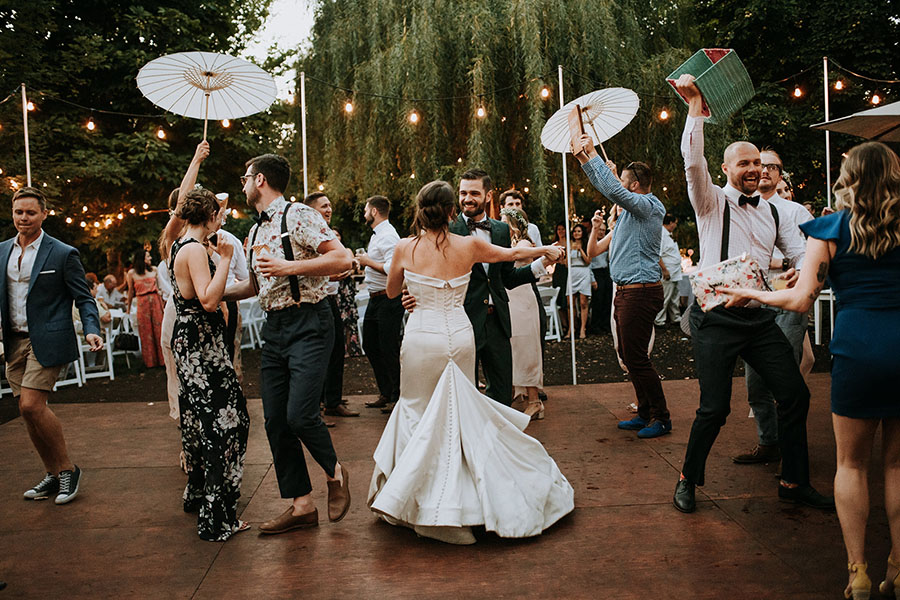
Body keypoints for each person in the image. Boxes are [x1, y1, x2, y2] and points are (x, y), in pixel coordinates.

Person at [718, 141, 900, 600]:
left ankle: (857, 570)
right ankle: (898, 566)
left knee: (851, 463)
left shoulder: (830, 228)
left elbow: (800, 299)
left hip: (857, 349)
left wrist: (755, 295)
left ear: (850, 179)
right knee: (897, 465)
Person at [367, 180, 573, 545]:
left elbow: (392, 291)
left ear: (418, 210)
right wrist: (546, 249)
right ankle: (461, 500)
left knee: (418, 411)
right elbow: (511, 257)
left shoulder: (402, 248)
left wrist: (412, 295)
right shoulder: (470, 245)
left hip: (421, 340)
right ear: (450, 212)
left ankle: (419, 499)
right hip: (460, 336)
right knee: (455, 417)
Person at [670, 74, 833, 513]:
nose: (753, 169)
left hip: (759, 319)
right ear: (726, 169)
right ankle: (688, 478)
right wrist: (695, 110)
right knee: (715, 408)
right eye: (744, 163)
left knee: (795, 395)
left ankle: (794, 482)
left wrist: (804, 269)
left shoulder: (774, 214)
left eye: (758, 163)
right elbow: (692, 162)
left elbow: (800, 253)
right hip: (718, 318)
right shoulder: (709, 201)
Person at [224, 152, 352, 534]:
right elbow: (253, 286)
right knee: (276, 420)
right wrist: (206, 295)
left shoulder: (297, 215)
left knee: (300, 414)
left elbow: (342, 259)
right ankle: (301, 506)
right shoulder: (254, 232)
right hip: (274, 328)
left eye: (245, 178)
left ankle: (335, 473)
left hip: (310, 321)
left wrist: (289, 267)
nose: (243, 185)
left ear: (259, 179)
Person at [403, 169, 557, 408]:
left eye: (474, 193)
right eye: (463, 193)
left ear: (488, 196)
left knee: (503, 394)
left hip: (497, 322)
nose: (467, 198)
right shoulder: (445, 229)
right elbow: (423, 271)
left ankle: (497, 441)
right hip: (461, 322)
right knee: (463, 393)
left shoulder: (501, 230)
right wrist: (410, 295)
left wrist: (542, 264)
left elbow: (509, 278)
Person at [1, 186, 103, 505]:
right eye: (19, 212)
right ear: (12, 213)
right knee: (27, 412)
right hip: (14, 340)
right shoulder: (2, 250)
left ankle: (67, 470)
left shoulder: (62, 253)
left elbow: (83, 297)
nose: (24, 218)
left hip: (48, 338)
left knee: (31, 405)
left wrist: (91, 329)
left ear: (44, 214)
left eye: (31, 212)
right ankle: (52, 474)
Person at [574, 136, 671, 439]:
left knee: (637, 357)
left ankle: (661, 416)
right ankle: (644, 412)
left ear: (634, 186)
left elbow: (612, 188)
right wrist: (585, 160)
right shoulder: (628, 214)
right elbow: (612, 189)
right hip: (626, 290)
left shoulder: (650, 206)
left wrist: (590, 155)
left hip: (641, 291)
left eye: (624, 182)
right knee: (628, 354)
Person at [168, 186, 250, 541]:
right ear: (211, 217)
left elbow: (202, 294)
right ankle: (217, 517)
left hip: (194, 343)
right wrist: (228, 259)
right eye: (220, 214)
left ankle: (199, 492)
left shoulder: (181, 244)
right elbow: (208, 300)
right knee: (228, 424)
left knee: (199, 420)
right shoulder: (194, 250)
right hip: (202, 347)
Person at [732, 149, 814, 466]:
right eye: (757, 164)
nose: (763, 170)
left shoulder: (794, 212)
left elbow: (808, 254)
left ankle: (791, 453)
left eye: (771, 166)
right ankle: (768, 442)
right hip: (757, 303)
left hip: (789, 302)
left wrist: (791, 265)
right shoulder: (744, 209)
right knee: (754, 383)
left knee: (785, 378)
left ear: (780, 174)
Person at [303, 192, 359, 419]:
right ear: (311, 211)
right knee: (318, 354)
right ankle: (314, 407)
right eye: (324, 206)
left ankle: (332, 401)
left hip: (330, 299)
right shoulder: (308, 233)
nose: (329, 210)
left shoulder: (327, 233)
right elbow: (307, 266)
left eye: (330, 205)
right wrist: (329, 275)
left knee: (336, 348)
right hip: (313, 300)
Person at [357, 195, 403, 413]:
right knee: (371, 345)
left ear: (374, 211)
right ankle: (386, 391)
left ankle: (397, 396)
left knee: (388, 347)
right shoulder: (377, 235)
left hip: (388, 298)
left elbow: (393, 268)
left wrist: (367, 262)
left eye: (366, 210)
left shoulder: (388, 236)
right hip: (375, 298)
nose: (365, 214)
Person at [499, 207, 544, 419]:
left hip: (523, 301)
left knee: (526, 348)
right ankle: (522, 394)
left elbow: (519, 255)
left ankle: (535, 401)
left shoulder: (524, 243)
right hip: (511, 301)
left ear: (513, 223)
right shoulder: (507, 244)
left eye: (502, 220)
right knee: (514, 347)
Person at [125, 249, 165, 368]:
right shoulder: (132, 273)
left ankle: (163, 360)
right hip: (142, 302)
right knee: (145, 331)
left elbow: (159, 287)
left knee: (159, 329)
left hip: (155, 300)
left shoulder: (154, 270)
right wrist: (128, 308)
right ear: (142, 259)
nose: (150, 258)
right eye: (148, 256)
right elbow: (131, 291)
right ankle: (150, 362)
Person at [333, 228, 363, 357]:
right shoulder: (328, 253)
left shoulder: (347, 251)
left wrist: (349, 270)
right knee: (339, 320)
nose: (336, 237)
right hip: (336, 288)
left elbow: (354, 269)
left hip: (346, 287)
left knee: (350, 319)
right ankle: (342, 350)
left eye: (338, 235)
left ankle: (353, 348)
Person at [655, 214, 682, 327]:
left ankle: (675, 317)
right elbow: (657, 254)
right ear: (670, 223)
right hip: (668, 271)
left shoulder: (669, 235)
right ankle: (659, 320)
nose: (675, 225)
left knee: (674, 296)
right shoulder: (661, 235)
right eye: (675, 222)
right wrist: (664, 270)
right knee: (665, 296)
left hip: (675, 270)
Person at [588, 215, 613, 334]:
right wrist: (593, 279)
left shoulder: (607, 242)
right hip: (596, 272)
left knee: (607, 299)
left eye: (604, 230)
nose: (602, 232)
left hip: (606, 272)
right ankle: (595, 325)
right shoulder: (592, 243)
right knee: (598, 300)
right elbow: (588, 263)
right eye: (600, 230)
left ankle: (605, 324)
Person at [566, 224, 592, 339]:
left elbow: (588, 261)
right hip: (572, 272)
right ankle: (571, 329)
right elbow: (566, 264)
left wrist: (580, 249)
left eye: (579, 231)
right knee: (570, 303)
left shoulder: (586, 244)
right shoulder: (569, 244)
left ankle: (583, 329)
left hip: (583, 271)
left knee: (583, 302)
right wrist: (569, 251)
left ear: (583, 233)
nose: (576, 233)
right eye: (575, 231)